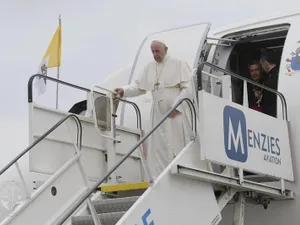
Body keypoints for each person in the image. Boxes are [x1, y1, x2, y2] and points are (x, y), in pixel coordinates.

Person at [114, 40, 193, 179]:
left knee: (177, 143)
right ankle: (161, 177)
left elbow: (188, 88)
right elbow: (138, 87)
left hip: (176, 113)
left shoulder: (178, 64)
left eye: (157, 51)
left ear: (166, 49)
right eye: (152, 51)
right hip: (158, 114)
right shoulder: (149, 67)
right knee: (158, 148)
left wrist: (177, 107)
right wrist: (123, 91)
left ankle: (180, 175)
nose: (155, 54)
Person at [260, 50, 279, 117]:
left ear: (265, 63)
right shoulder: (279, 73)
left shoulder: (270, 80)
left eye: (261, 64)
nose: (262, 68)